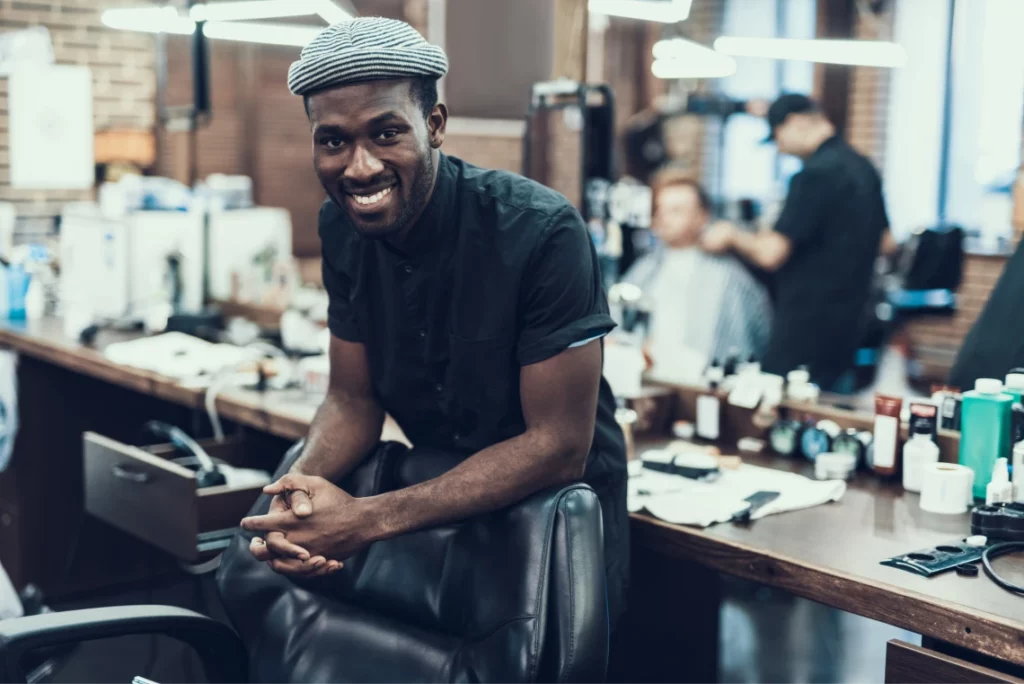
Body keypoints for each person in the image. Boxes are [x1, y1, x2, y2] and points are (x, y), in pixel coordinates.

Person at [239, 18, 629, 627]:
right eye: (334, 141)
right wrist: (295, 494)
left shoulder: (539, 231)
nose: (360, 167)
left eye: (387, 132)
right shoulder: (340, 227)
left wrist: (365, 520)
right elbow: (351, 399)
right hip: (436, 502)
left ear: (435, 125)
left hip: (556, 517)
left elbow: (557, 447)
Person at [701, 94, 890, 389]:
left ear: (796, 122)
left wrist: (730, 234)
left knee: (783, 407)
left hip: (807, 323)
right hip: (851, 321)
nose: (779, 148)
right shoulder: (865, 168)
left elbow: (771, 253)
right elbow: (886, 242)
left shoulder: (813, 176)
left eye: (777, 136)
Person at [621, 172, 771, 377]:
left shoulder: (728, 278)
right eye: (660, 209)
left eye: (676, 210)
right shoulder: (643, 270)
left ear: (702, 216)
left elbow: (752, 342)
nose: (663, 217)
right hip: (650, 385)